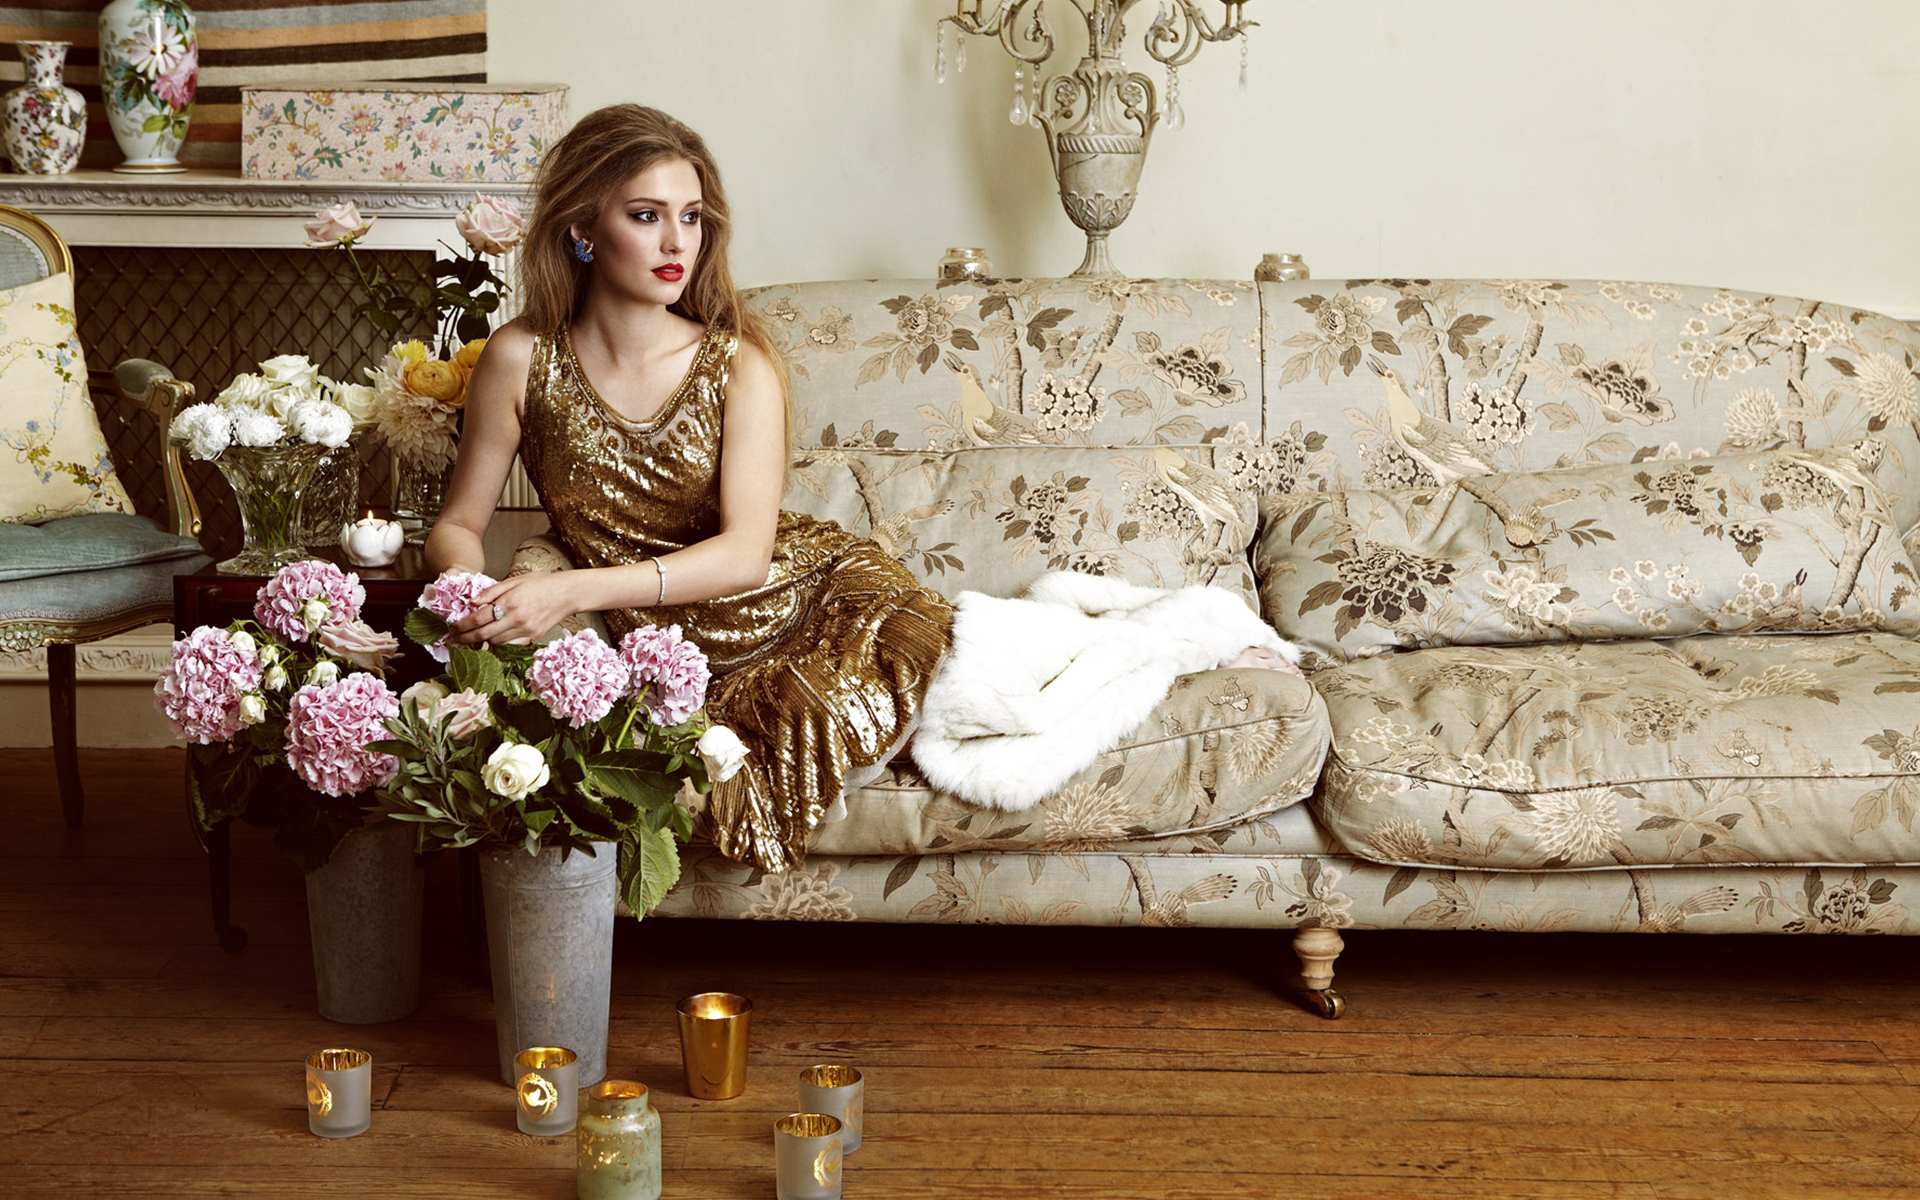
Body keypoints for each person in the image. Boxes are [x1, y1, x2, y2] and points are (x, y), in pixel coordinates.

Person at [424, 104, 954, 872]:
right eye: (646, 216)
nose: (677, 242)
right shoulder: (520, 357)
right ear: (582, 229)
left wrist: (570, 591)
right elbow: (457, 522)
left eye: (692, 217)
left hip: (794, 605)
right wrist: (471, 591)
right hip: (646, 630)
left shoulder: (740, 365)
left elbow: (745, 555)